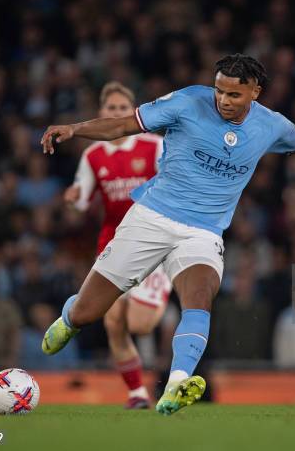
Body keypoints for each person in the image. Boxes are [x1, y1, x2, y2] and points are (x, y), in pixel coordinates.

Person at [40, 54, 295, 415]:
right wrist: (75, 128)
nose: (223, 101)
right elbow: (123, 126)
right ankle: (70, 316)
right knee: (89, 312)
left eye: (234, 95)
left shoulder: (273, 126)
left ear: (255, 92)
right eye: (219, 91)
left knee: (199, 297)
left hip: (203, 232)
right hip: (151, 219)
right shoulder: (186, 102)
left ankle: (176, 384)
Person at [64, 81, 170, 409]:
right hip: (113, 244)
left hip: (153, 244)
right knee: (112, 322)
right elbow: (81, 201)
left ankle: (164, 305)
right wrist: (74, 199)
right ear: (101, 113)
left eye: (122, 108)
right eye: (111, 109)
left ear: (133, 111)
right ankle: (137, 393)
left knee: (139, 323)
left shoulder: (153, 146)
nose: (116, 113)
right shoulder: (93, 154)